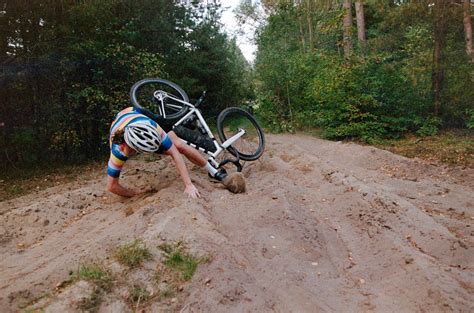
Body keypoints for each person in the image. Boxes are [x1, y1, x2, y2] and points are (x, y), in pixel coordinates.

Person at [106, 107, 226, 198]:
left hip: (137, 113)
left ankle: (213, 171)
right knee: (170, 148)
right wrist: (134, 193)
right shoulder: (119, 151)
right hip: (123, 124)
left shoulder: (153, 127)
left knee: (179, 146)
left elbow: (176, 154)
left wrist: (188, 185)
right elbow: (112, 186)